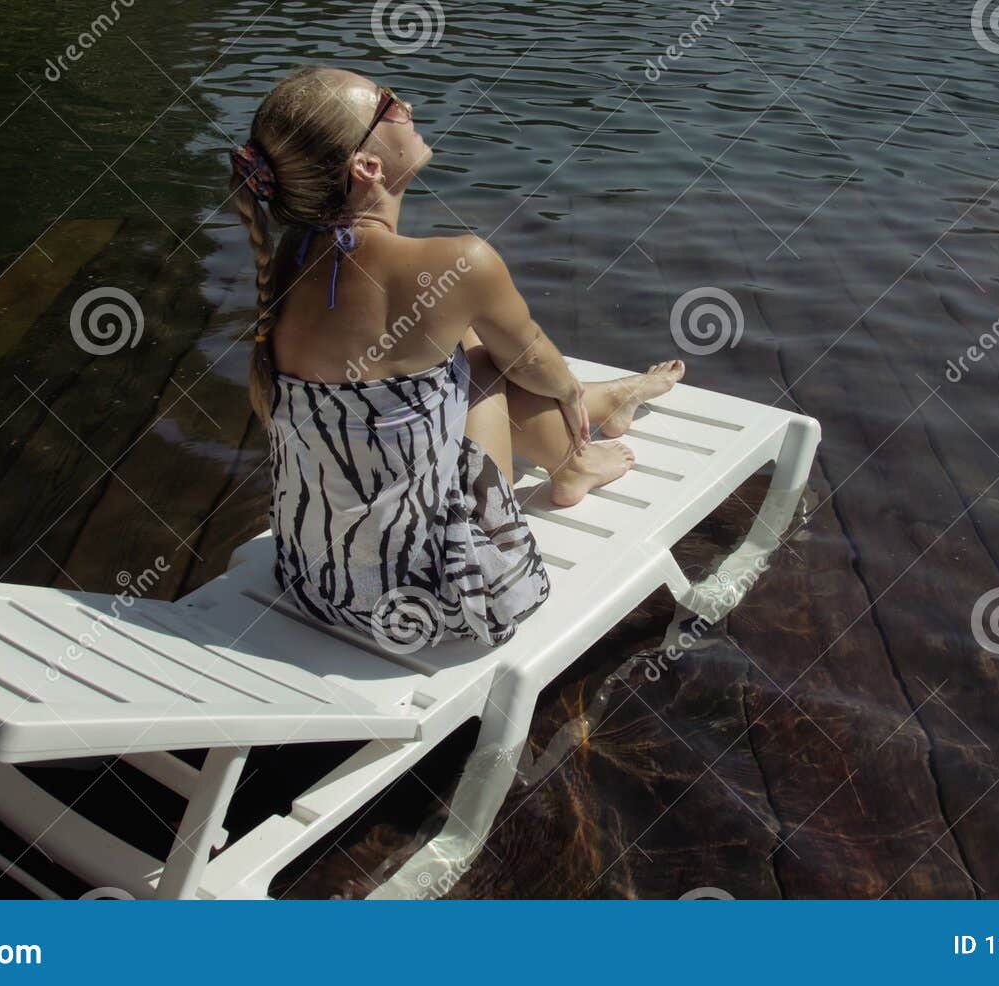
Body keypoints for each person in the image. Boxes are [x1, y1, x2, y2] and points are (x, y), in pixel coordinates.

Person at [229, 66, 685, 649]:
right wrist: (571, 394)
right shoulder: (457, 260)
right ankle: (575, 460)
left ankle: (611, 406)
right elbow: (536, 364)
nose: (408, 105)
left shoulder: (291, 258)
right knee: (484, 359)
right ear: (366, 168)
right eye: (389, 105)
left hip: (317, 581)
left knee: (458, 340)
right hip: (443, 600)